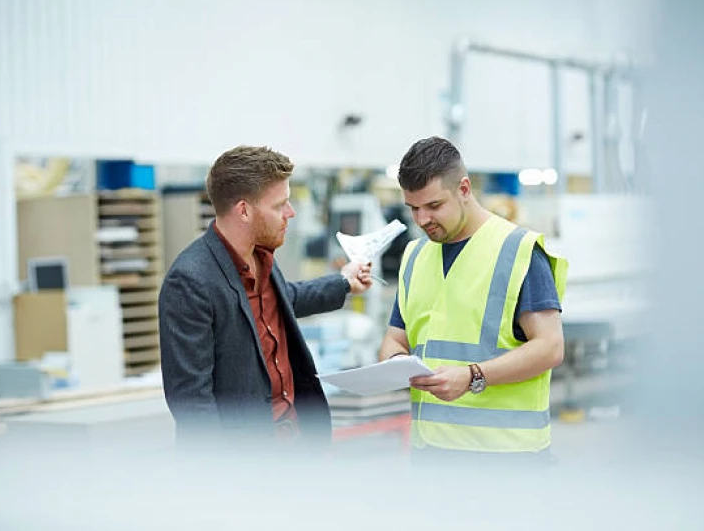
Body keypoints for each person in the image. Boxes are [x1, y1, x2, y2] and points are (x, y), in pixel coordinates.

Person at [160, 145, 373, 451]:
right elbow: (191, 402)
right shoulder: (190, 281)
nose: (291, 213)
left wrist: (343, 283)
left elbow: (286, 298)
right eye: (280, 205)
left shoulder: (262, 258)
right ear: (244, 210)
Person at [378, 136, 568, 465]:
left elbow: (550, 346)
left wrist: (472, 376)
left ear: (464, 189)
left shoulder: (518, 251)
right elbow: (397, 337)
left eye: (434, 206)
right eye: (414, 208)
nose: (422, 220)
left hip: (507, 461)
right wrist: (396, 363)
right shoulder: (415, 255)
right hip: (431, 456)